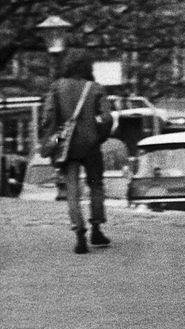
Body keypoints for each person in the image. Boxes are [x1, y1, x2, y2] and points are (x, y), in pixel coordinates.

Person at [40, 49, 113, 254]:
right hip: (91, 146)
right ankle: (97, 229)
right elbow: (107, 118)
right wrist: (100, 136)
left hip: (66, 146)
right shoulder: (96, 88)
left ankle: (79, 232)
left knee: (72, 190)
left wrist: (50, 139)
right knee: (96, 186)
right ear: (88, 67)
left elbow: (47, 118)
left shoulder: (56, 88)